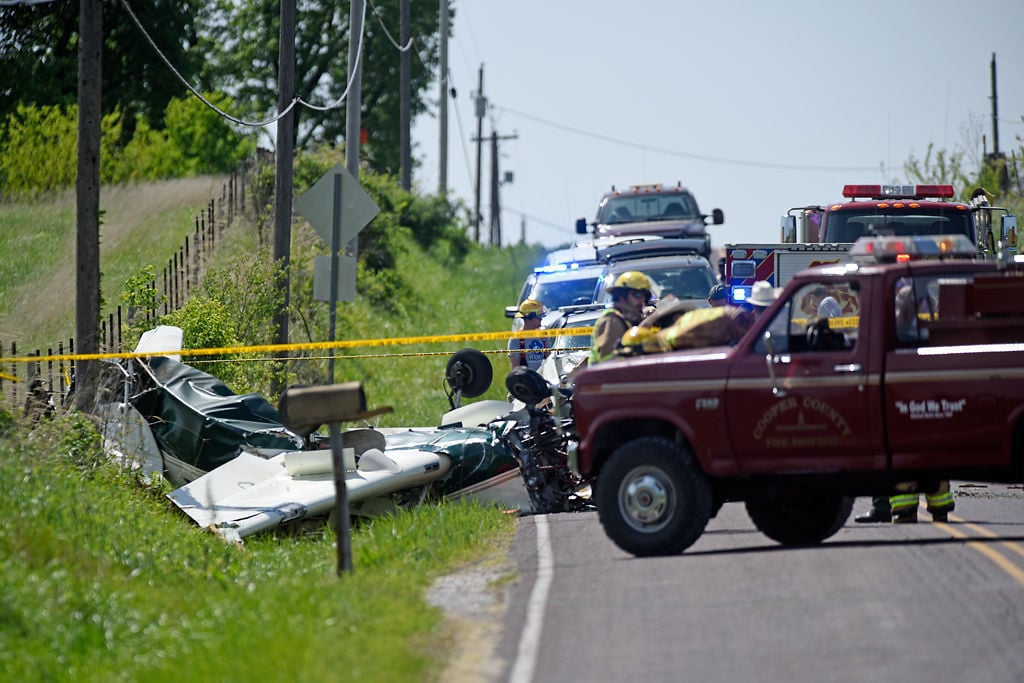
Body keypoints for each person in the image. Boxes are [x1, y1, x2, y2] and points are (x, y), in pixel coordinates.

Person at [589, 271, 652, 365]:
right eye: (637, 295)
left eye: (644, 297)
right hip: (610, 378)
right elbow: (608, 361)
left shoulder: (628, 319)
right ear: (622, 296)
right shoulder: (612, 320)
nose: (642, 301)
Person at [508, 299, 550, 371]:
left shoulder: (543, 336)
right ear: (529, 318)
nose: (541, 319)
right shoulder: (516, 339)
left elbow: (549, 361)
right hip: (526, 380)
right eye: (538, 317)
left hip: (542, 378)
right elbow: (515, 367)